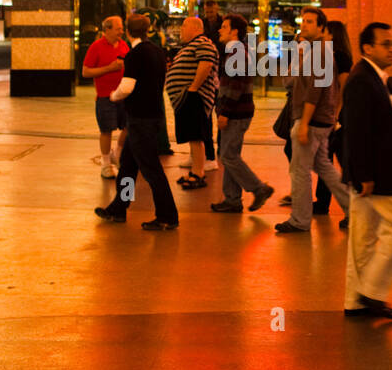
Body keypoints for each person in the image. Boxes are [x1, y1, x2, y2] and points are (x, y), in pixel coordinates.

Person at [341, 22, 392, 320]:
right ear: (368, 48)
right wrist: (364, 175)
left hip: (371, 173)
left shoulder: (373, 78)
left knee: (363, 237)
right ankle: (372, 291)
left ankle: (355, 300)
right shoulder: (362, 80)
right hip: (373, 175)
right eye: (386, 44)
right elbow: (356, 131)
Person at [94, 14, 179, 230]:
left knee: (151, 170)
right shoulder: (157, 52)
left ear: (129, 32)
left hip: (141, 119)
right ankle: (119, 207)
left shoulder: (135, 55)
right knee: (128, 166)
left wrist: (113, 95)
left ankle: (167, 216)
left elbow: (127, 87)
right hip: (152, 116)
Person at [276, 7, 350, 234]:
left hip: (313, 121)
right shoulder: (314, 51)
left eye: (310, 22)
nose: (304, 25)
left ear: (321, 27)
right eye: (303, 21)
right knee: (325, 168)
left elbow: (315, 92)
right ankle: (355, 209)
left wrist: (304, 123)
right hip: (321, 121)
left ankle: (299, 220)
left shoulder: (319, 53)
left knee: (300, 171)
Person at [211, 13, 273, 213]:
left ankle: (259, 188)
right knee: (229, 153)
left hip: (236, 113)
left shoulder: (237, 51)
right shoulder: (235, 50)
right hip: (236, 111)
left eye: (224, 26)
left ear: (234, 31)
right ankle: (232, 199)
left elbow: (235, 86)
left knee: (228, 155)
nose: (220, 29)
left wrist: (225, 112)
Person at [165, 15, 218, 190]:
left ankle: (198, 172)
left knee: (196, 137)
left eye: (184, 26)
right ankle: (196, 170)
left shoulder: (202, 42)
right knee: (193, 137)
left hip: (194, 97)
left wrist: (193, 88)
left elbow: (206, 64)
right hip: (187, 97)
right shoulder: (191, 46)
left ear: (195, 28)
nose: (181, 30)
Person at [312, 19, 353, 222]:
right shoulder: (329, 56)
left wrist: (336, 114)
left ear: (332, 35)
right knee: (325, 160)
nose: (323, 35)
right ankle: (322, 202)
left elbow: (343, 88)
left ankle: (350, 209)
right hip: (334, 116)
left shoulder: (341, 57)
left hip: (339, 118)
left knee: (338, 163)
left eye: (326, 32)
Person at [82, 15, 129, 179]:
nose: (121, 32)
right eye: (118, 29)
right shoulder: (96, 47)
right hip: (104, 97)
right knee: (106, 130)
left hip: (123, 95)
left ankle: (117, 153)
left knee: (128, 126)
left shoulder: (124, 45)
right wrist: (109, 68)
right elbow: (86, 71)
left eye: (122, 28)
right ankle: (106, 164)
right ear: (107, 29)